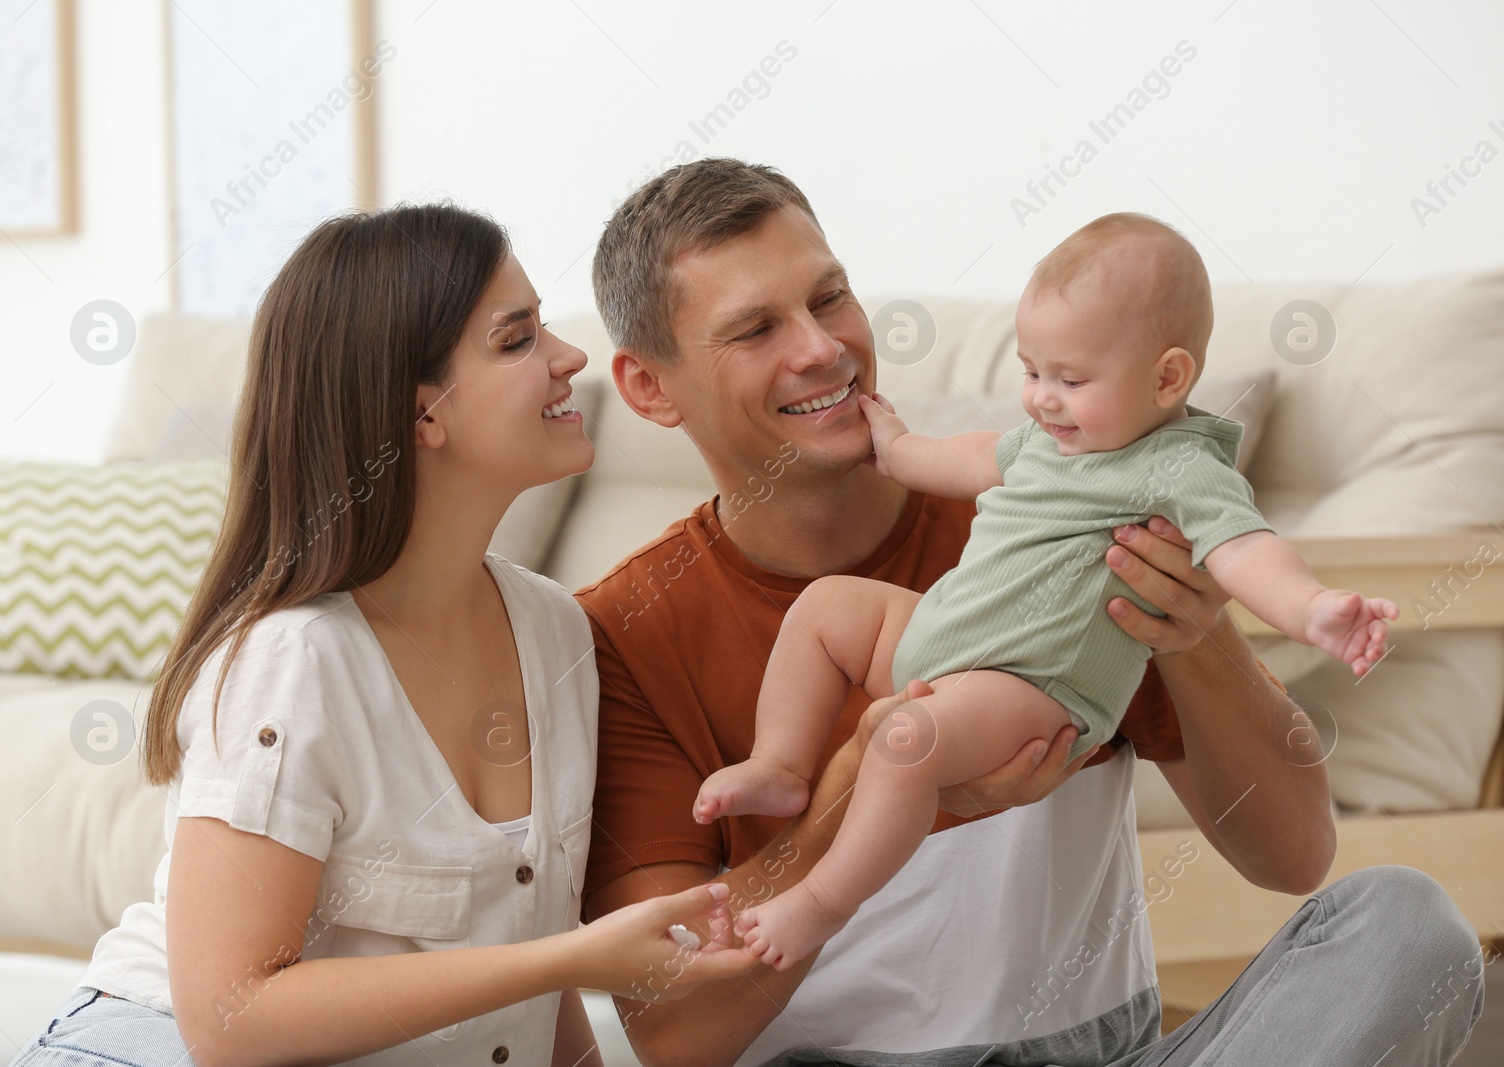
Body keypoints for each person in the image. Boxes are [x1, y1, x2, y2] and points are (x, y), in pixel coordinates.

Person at [576, 159, 1482, 1065]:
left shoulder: (1071, 513)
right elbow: (673, 1033)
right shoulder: (622, 632)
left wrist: (1196, 633)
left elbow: (1294, 858)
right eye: (755, 327)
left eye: (831, 296)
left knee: (1406, 929)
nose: (821, 348)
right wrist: (855, 783)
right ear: (649, 386)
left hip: (1105, 1054)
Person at [10, 204, 753, 1067]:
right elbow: (229, 1016)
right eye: (516, 341)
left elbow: (531, 992)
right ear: (421, 416)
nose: (568, 358)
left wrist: (563, 969)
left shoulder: (556, 632)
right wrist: (573, 958)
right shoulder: (295, 661)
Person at [695, 213, 1397, 969]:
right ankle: (781, 764)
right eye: (1031, 372)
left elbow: (1246, 550)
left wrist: (1311, 608)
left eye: (1070, 379)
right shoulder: (1049, 440)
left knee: (906, 740)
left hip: (1033, 684)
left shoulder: (1176, 467)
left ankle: (821, 903)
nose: (1042, 400)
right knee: (828, 606)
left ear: (1168, 378)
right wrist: (895, 445)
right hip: (946, 636)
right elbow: (968, 456)